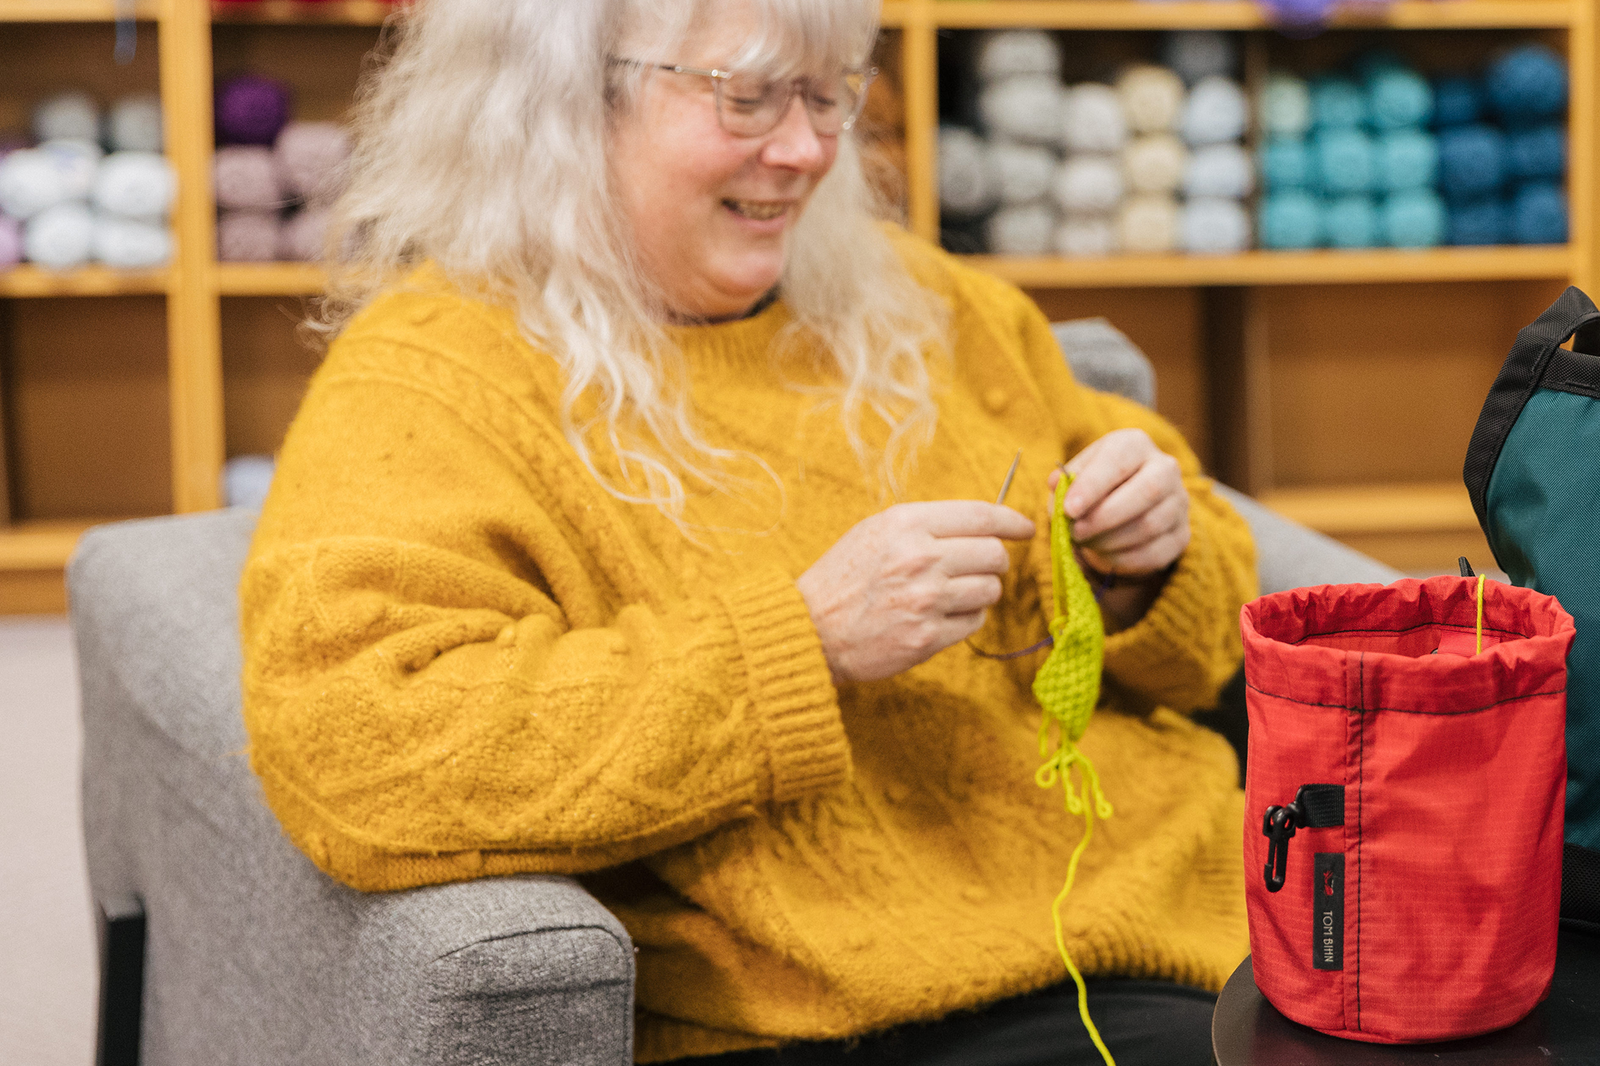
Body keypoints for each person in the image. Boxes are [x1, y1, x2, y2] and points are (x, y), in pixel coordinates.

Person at [238, 0, 1258, 1063]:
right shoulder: (434, 380)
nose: (809, 148)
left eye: (830, 94)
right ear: (566, 102)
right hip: (845, 1015)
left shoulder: (934, 307)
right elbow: (360, 748)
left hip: (1209, 933)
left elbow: (1222, 635)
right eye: (749, 95)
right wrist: (798, 646)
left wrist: (1147, 565)